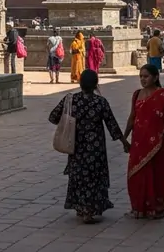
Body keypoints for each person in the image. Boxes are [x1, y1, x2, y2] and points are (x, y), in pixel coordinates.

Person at [48, 69, 128, 223]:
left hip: (76, 146)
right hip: (95, 148)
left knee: (79, 177)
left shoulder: (71, 100)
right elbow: (112, 125)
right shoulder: (100, 102)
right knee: (94, 179)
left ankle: (80, 207)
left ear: (80, 82)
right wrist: (125, 142)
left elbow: (53, 117)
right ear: (96, 84)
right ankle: (89, 211)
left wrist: (68, 121)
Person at [124, 64, 164, 219]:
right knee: (136, 175)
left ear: (155, 77)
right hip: (139, 142)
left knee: (157, 175)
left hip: (158, 144)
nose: (143, 80)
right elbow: (133, 117)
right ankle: (138, 208)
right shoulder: (137, 94)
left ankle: (156, 208)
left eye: (146, 76)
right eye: (141, 77)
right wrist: (124, 137)